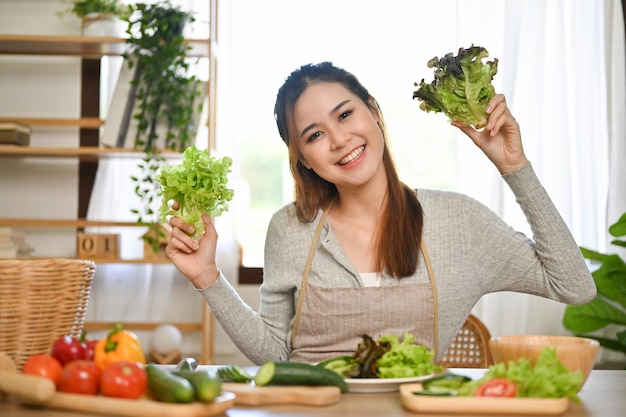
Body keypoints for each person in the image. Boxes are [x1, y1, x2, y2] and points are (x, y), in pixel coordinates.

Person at [166, 61, 596, 365]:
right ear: (304, 161)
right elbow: (278, 355)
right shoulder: (289, 228)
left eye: (346, 114)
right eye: (315, 134)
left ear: (373, 111)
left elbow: (575, 286)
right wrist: (208, 278)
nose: (339, 139)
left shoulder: (457, 222)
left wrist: (514, 168)